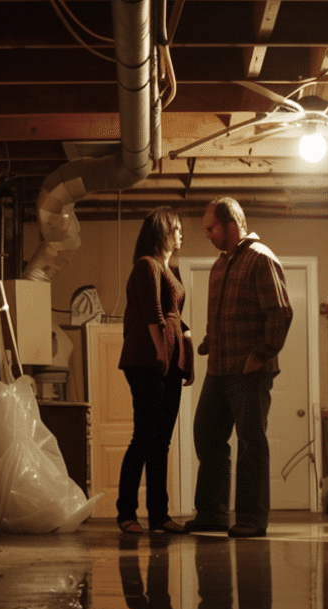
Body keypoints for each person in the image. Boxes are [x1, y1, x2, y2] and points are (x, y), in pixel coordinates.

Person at [185, 197, 292, 538]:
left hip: (248, 370)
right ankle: (213, 514)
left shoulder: (261, 259)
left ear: (231, 224)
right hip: (218, 368)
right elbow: (225, 314)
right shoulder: (219, 266)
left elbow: (280, 312)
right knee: (207, 435)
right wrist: (207, 341)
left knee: (250, 442)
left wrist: (261, 354)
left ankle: (250, 518)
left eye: (210, 228)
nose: (207, 235)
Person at [116, 206, 193, 535]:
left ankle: (159, 516)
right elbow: (154, 316)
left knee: (160, 441)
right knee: (144, 438)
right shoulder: (147, 266)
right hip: (147, 362)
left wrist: (184, 354)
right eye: (176, 228)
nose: (180, 234)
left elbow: (176, 317)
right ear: (162, 231)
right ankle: (126, 514)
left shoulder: (169, 270)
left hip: (168, 364)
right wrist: (162, 356)